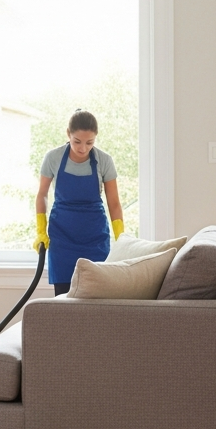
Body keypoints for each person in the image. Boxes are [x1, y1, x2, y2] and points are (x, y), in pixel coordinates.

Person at [34, 110, 125, 295]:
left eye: (89, 142)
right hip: (62, 237)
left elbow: (114, 203)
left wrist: (121, 238)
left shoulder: (104, 161)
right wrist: (41, 231)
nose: (83, 148)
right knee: (63, 296)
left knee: (97, 294)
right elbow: (42, 194)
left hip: (95, 236)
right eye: (77, 141)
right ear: (68, 134)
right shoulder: (53, 158)